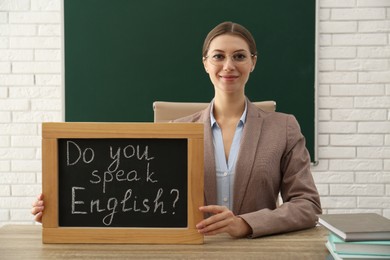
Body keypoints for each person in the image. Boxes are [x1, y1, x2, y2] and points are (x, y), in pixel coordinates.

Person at [32, 21, 322, 239]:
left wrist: (245, 223)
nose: (228, 65)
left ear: (253, 62)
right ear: (206, 63)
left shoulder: (283, 127)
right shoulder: (175, 132)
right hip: (189, 250)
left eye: (239, 56)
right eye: (219, 56)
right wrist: (65, 209)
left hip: (255, 250)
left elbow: (307, 205)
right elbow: (133, 201)